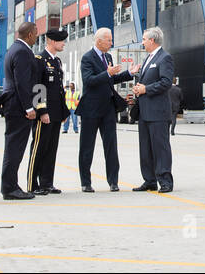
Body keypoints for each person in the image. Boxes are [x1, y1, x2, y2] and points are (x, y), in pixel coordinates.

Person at [118, 26, 176, 194]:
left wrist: (146, 89)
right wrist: (139, 89)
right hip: (144, 112)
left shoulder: (164, 58)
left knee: (160, 148)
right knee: (146, 148)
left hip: (158, 113)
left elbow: (166, 82)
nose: (142, 42)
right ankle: (149, 180)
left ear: (152, 40)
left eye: (144, 39)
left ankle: (165, 181)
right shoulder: (148, 59)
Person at [78, 27, 130, 192]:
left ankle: (113, 181)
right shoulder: (87, 58)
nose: (111, 43)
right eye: (109, 40)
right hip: (91, 109)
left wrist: (129, 73)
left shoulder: (108, 57)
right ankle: (86, 183)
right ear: (99, 41)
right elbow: (89, 81)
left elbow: (110, 79)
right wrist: (107, 73)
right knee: (87, 147)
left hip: (108, 108)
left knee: (111, 146)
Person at [0, 21, 39, 200]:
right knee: (15, 148)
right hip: (19, 107)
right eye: (36, 33)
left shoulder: (13, 49)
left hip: (13, 105)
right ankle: (10, 188)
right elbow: (22, 82)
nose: (37, 36)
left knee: (13, 147)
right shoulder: (22, 52)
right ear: (30, 34)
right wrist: (29, 107)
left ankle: (10, 186)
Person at [28, 28, 68, 195]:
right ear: (51, 41)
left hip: (56, 113)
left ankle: (47, 182)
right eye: (61, 41)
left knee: (51, 149)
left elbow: (59, 89)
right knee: (39, 148)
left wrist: (63, 112)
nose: (64, 43)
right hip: (44, 114)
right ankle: (32, 184)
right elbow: (38, 87)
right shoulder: (39, 59)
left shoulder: (56, 61)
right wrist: (42, 111)